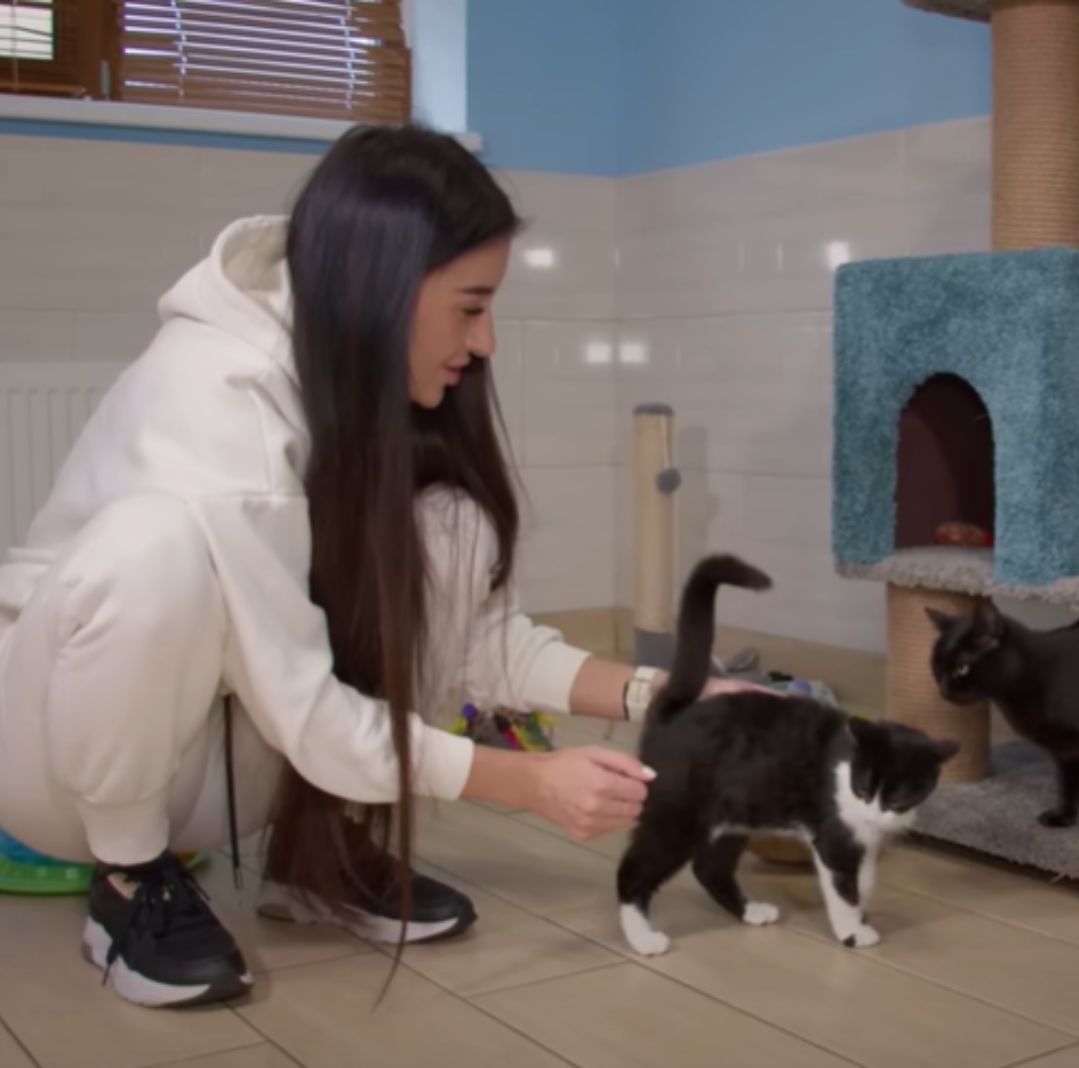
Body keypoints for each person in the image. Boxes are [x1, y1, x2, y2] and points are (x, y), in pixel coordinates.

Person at [0, 124, 745, 1009]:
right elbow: (302, 702)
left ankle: (315, 859)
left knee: (446, 524)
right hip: (54, 765)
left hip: (221, 774)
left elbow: (475, 646)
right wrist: (525, 782)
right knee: (156, 549)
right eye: (470, 306)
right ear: (385, 286)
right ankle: (127, 882)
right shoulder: (216, 397)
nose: (487, 341)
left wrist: (666, 694)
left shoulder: (362, 379)